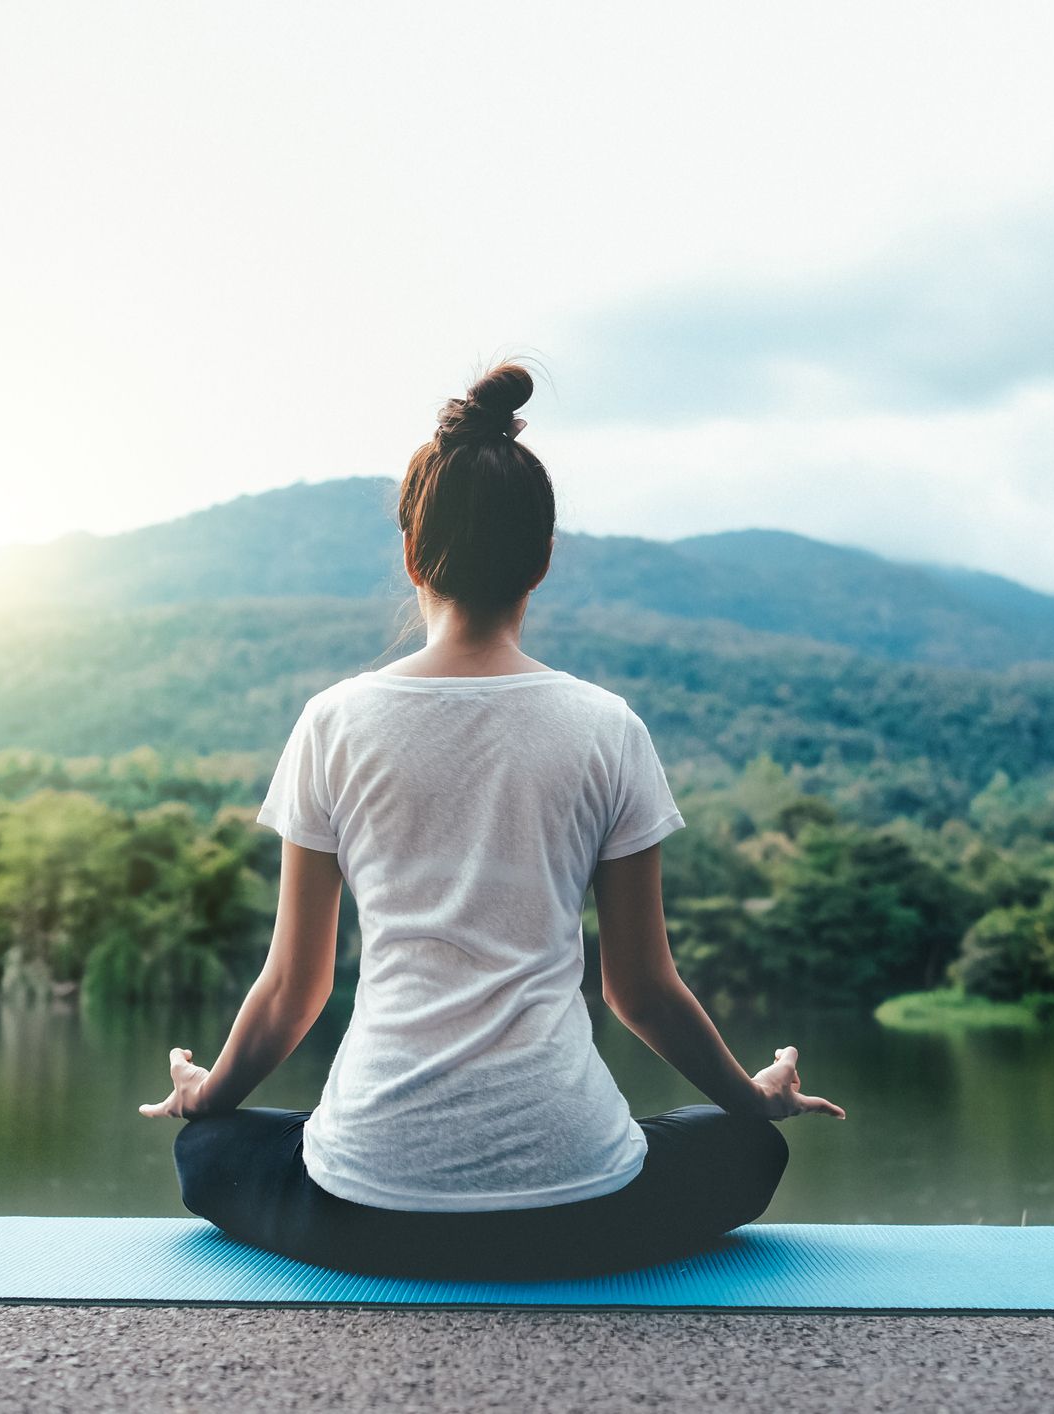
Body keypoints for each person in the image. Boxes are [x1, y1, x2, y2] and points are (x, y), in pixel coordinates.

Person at [139, 360, 844, 1281]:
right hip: (575, 1209)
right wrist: (753, 1103)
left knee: (211, 1153)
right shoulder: (607, 726)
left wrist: (206, 1098)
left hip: (366, 1209)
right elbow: (640, 990)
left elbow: (292, 988)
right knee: (748, 1150)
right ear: (542, 558)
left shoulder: (332, 721)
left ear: (410, 554)